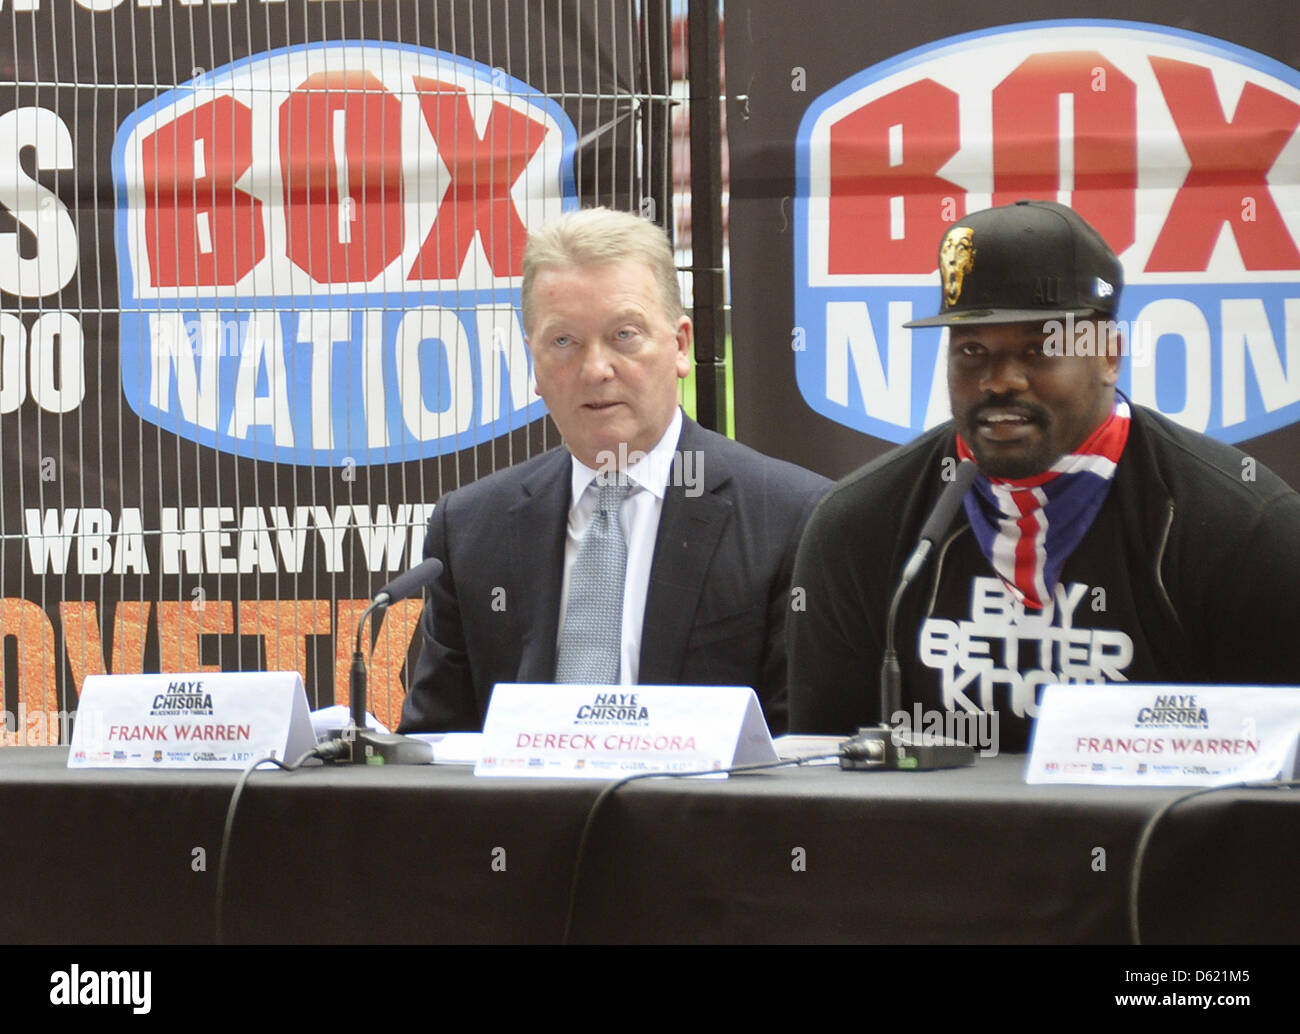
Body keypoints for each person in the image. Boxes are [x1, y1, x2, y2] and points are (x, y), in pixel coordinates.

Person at [788, 200, 1300, 752]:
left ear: (1110, 355)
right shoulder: (859, 526)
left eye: (1038, 349)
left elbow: (1274, 799)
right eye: (972, 350)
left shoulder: (1243, 530)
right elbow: (824, 773)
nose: (999, 381)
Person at [399, 207, 830, 734]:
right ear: (533, 363)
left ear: (681, 345)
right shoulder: (469, 528)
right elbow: (434, 747)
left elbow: (805, 751)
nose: (596, 369)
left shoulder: (790, 518)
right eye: (563, 342)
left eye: (624, 335)